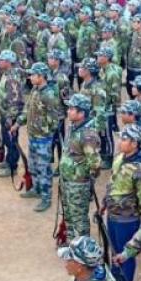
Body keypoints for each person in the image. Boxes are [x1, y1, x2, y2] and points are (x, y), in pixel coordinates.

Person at [104, 125, 141, 281]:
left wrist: (131, 210)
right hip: (112, 214)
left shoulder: (140, 169)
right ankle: (114, 278)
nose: (120, 142)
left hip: (127, 219)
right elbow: (113, 182)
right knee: (114, 249)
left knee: (126, 253)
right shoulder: (119, 158)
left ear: (135, 144)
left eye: (124, 139)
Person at [14, 62, 61, 212]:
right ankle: (36, 188)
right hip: (33, 136)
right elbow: (27, 110)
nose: (30, 77)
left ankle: (46, 197)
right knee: (33, 166)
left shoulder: (49, 95)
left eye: (33, 75)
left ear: (41, 76)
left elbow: (55, 119)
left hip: (43, 139)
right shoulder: (35, 90)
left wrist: (46, 133)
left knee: (44, 168)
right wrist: (17, 124)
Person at [59, 93, 102, 240]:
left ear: (82, 113)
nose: (68, 111)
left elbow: (95, 164)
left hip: (78, 184)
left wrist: (84, 179)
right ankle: (72, 245)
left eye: (72, 109)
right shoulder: (73, 127)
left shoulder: (88, 135)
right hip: (67, 180)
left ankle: (82, 251)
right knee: (69, 216)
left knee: (79, 220)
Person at [0, 50, 25, 179]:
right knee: (6, 140)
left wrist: (10, 119)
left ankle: (13, 167)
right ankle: (8, 161)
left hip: (9, 116)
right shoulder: (6, 74)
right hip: (4, 114)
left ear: (8, 62)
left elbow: (15, 101)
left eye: (1, 60)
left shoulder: (12, 79)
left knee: (12, 142)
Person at [77, 58, 110, 170]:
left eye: (82, 67)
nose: (79, 69)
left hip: (92, 125)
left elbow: (99, 113)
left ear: (88, 71)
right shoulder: (84, 84)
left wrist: (94, 131)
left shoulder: (97, 89)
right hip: (84, 123)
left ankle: (102, 160)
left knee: (98, 146)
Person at [97, 47, 123, 170]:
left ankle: (109, 157)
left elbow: (115, 94)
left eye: (100, 55)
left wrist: (112, 109)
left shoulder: (112, 73)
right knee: (101, 133)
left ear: (106, 58)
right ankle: (102, 154)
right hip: (100, 107)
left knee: (107, 134)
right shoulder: (102, 70)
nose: (98, 58)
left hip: (107, 109)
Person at [125, 16, 141, 100]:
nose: (133, 24)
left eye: (135, 22)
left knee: (138, 86)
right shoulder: (133, 33)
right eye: (133, 21)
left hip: (139, 66)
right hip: (130, 64)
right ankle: (132, 100)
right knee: (129, 85)